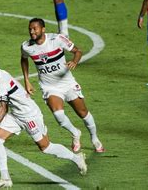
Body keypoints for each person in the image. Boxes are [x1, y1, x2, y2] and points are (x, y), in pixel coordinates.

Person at [0, 53, 87, 189]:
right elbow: (5, 106)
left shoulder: (0, 80)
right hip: (17, 115)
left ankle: (76, 158)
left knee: (45, 147)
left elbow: (2, 107)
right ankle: (5, 178)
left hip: (30, 116)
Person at [21, 18, 104, 153]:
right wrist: (26, 80)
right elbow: (23, 59)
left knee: (83, 113)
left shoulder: (57, 39)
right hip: (50, 87)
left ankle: (94, 138)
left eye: (35, 28)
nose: (32, 32)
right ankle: (75, 133)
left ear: (43, 29)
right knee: (58, 115)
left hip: (67, 83)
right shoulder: (27, 46)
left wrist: (74, 62)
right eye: (30, 29)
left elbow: (78, 51)